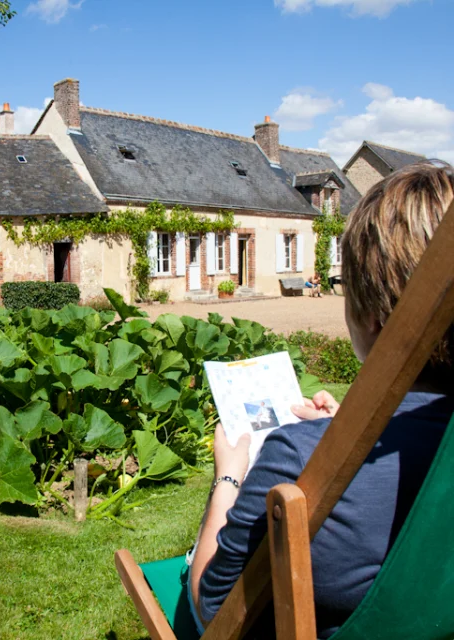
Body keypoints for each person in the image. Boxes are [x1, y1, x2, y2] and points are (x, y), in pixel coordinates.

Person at [188, 161, 454, 639]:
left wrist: (228, 472)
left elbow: (214, 607)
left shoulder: (295, 454)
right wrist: (345, 434)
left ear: (372, 315)